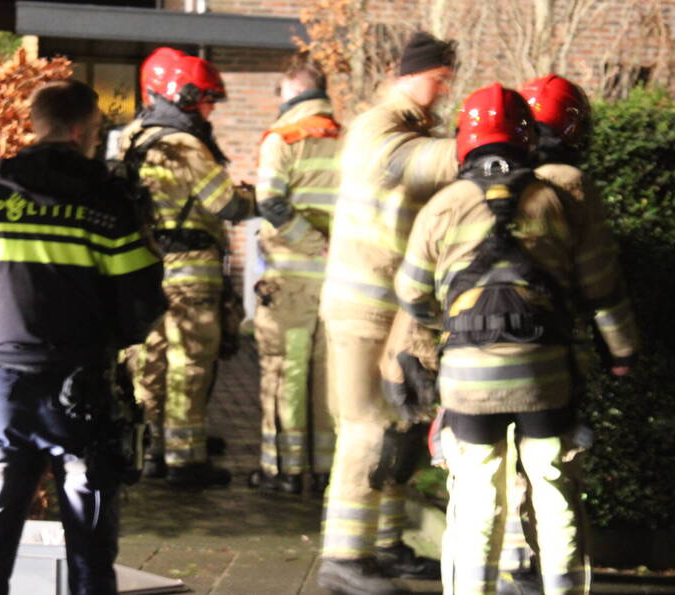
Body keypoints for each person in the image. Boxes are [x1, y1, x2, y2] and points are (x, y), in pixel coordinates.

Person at [395, 83, 639, 595]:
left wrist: (448, 330)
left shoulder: (444, 205)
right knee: (555, 495)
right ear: (525, 138)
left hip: (467, 381)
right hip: (545, 377)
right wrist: (622, 353)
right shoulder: (553, 200)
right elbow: (600, 288)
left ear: (465, 139)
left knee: (478, 497)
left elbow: (412, 293)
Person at [0, 80, 167, 595]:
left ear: (37, 125)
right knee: (90, 552)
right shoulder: (108, 208)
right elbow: (142, 306)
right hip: (82, 396)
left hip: (3, 394)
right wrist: (106, 338)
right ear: (81, 129)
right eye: (98, 128)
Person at [317, 31, 457, 595]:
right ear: (405, 73)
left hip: (398, 312)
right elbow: (410, 165)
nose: (444, 89)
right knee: (366, 428)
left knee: (400, 428)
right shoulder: (380, 127)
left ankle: (385, 546)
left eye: (449, 79)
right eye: (438, 78)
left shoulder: (420, 130)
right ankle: (343, 558)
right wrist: (480, 148)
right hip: (360, 309)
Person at [487, 73, 606, 595]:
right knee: (557, 477)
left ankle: (516, 567)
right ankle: (550, 577)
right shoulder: (574, 186)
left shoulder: (505, 179)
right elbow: (597, 279)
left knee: (507, 467)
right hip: (559, 356)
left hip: (493, 347)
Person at [119, 50, 255, 488]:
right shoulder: (185, 145)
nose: (209, 109)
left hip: (146, 266)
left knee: (151, 360)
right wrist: (260, 199)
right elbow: (226, 204)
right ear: (181, 95)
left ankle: (152, 447)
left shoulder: (134, 138)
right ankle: (186, 460)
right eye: (204, 101)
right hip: (191, 270)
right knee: (190, 363)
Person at [249, 52, 340, 494]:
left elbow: (271, 203)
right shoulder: (349, 139)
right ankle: (325, 471)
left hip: (290, 284)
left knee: (286, 371)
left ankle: (283, 471)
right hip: (335, 282)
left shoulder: (282, 138)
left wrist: (310, 240)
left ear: (290, 90)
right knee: (327, 376)